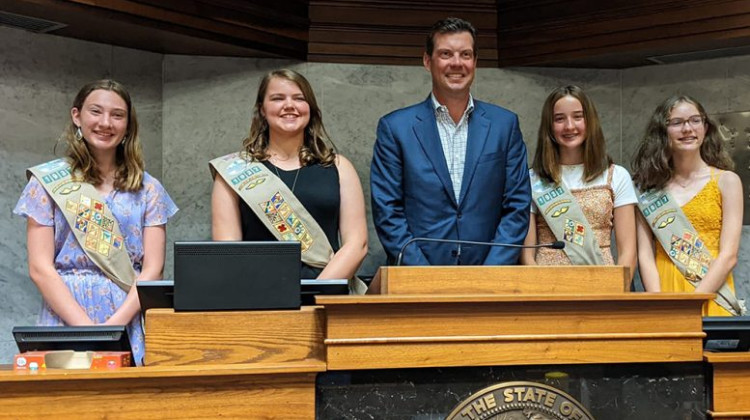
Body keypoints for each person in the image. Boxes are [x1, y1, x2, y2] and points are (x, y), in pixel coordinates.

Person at [13, 79, 178, 365]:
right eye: (96, 112)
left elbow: (152, 269)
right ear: (77, 116)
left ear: (128, 124)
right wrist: (87, 330)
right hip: (65, 312)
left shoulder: (148, 189)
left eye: (117, 115)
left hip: (128, 312)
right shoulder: (49, 183)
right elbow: (40, 268)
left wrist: (115, 326)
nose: (106, 123)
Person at [370, 17, 530, 266]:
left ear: (475, 62)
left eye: (465, 54)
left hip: (489, 278)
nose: (457, 63)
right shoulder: (395, 128)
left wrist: (491, 272)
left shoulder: (504, 125)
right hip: (417, 280)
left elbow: (517, 206)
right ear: (427, 61)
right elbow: (387, 210)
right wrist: (423, 274)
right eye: (446, 54)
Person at [210, 69, 367, 291]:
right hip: (258, 297)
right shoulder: (233, 173)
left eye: (299, 98)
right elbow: (229, 253)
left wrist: (312, 294)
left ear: (310, 109)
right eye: (277, 98)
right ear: (262, 110)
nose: (289, 105)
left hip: (326, 297)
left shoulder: (339, 167)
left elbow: (357, 244)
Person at [632, 94, 744, 316]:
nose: (688, 129)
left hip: (710, 295)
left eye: (695, 120)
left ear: (705, 126)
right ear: (662, 131)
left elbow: (729, 255)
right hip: (664, 294)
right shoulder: (647, 189)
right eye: (677, 123)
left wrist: (692, 303)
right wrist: (658, 302)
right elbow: (645, 255)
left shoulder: (727, 181)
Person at [520, 86, 637, 280]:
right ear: (549, 126)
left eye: (578, 117)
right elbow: (527, 255)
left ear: (590, 121)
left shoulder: (617, 176)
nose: (569, 126)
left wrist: (616, 293)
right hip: (547, 287)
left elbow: (628, 253)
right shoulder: (532, 180)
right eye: (559, 119)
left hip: (601, 285)